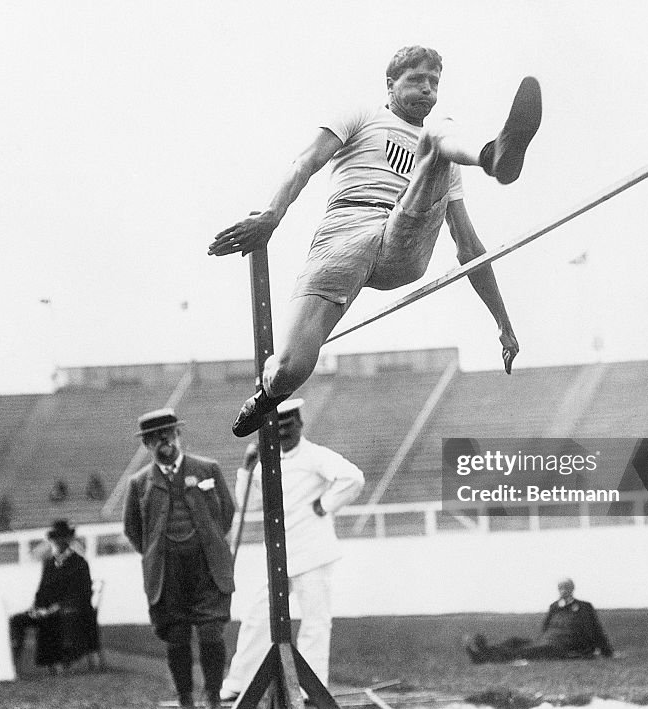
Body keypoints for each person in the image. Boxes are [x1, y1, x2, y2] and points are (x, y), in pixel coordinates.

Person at [208, 46, 542, 437]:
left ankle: (491, 155)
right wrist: (271, 216)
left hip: (403, 235)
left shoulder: (442, 151)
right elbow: (305, 164)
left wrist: (503, 322)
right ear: (390, 84)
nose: (428, 91)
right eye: (417, 80)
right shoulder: (362, 117)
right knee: (287, 370)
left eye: (434, 82)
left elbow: (468, 247)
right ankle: (266, 397)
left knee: (438, 133)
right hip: (345, 230)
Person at [220, 398, 365, 701]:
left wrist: (325, 505)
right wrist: (246, 469)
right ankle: (239, 682)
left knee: (316, 620)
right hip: (277, 556)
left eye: (289, 426)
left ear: (300, 424)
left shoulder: (316, 456)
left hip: (313, 554)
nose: (284, 432)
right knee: (258, 617)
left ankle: (311, 687)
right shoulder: (266, 462)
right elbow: (250, 502)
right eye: (278, 427)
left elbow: (353, 478)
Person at [123, 408, 235, 709]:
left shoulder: (207, 469)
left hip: (207, 567)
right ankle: (186, 703)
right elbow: (133, 530)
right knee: (177, 637)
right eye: (155, 439)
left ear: (178, 435)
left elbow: (226, 512)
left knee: (212, 633)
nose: (164, 443)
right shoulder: (139, 483)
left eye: (168, 435)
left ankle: (213, 699)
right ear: (147, 445)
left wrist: (208, 542)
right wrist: (157, 553)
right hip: (166, 573)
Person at [9, 519, 98, 670]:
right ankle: (13, 664)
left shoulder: (79, 563)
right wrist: (37, 608)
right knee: (17, 620)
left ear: (69, 540)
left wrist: (58, 606)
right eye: (57, 539)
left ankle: (61, 660)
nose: (59, 542)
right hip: (48, 610)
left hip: (71, 610)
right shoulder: (49, 564)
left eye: (63, 538)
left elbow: (83, 593)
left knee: (58, 617)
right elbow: (42, 591)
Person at [465, 578, 614, 663]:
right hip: (548, 642)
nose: (563, 591)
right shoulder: (555, 607)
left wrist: (606, 651)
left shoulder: (583, 607)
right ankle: (485, 649)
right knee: (515, 641)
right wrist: (541, 640)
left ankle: (483, 657)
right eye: (561, 588)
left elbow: (595, 630)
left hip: (565, 647)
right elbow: (545, 629)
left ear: (572, 589)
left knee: (523, 652)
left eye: (566, 588)